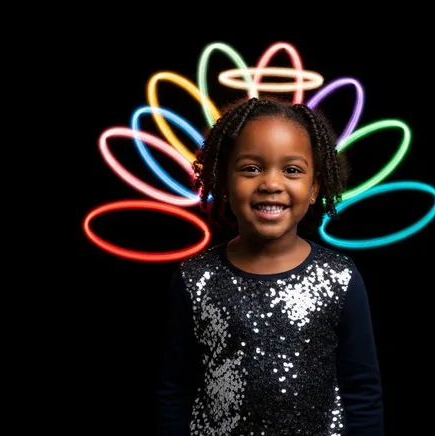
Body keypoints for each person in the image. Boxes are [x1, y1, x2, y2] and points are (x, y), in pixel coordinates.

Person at [155, 97, 384, 435]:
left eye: (291, 170)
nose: (271, 184)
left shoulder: (341, 278)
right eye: (251, 168)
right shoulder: (193, 279)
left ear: (314, 187)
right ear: (223, 181)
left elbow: (363, 392)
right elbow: (174, 390)